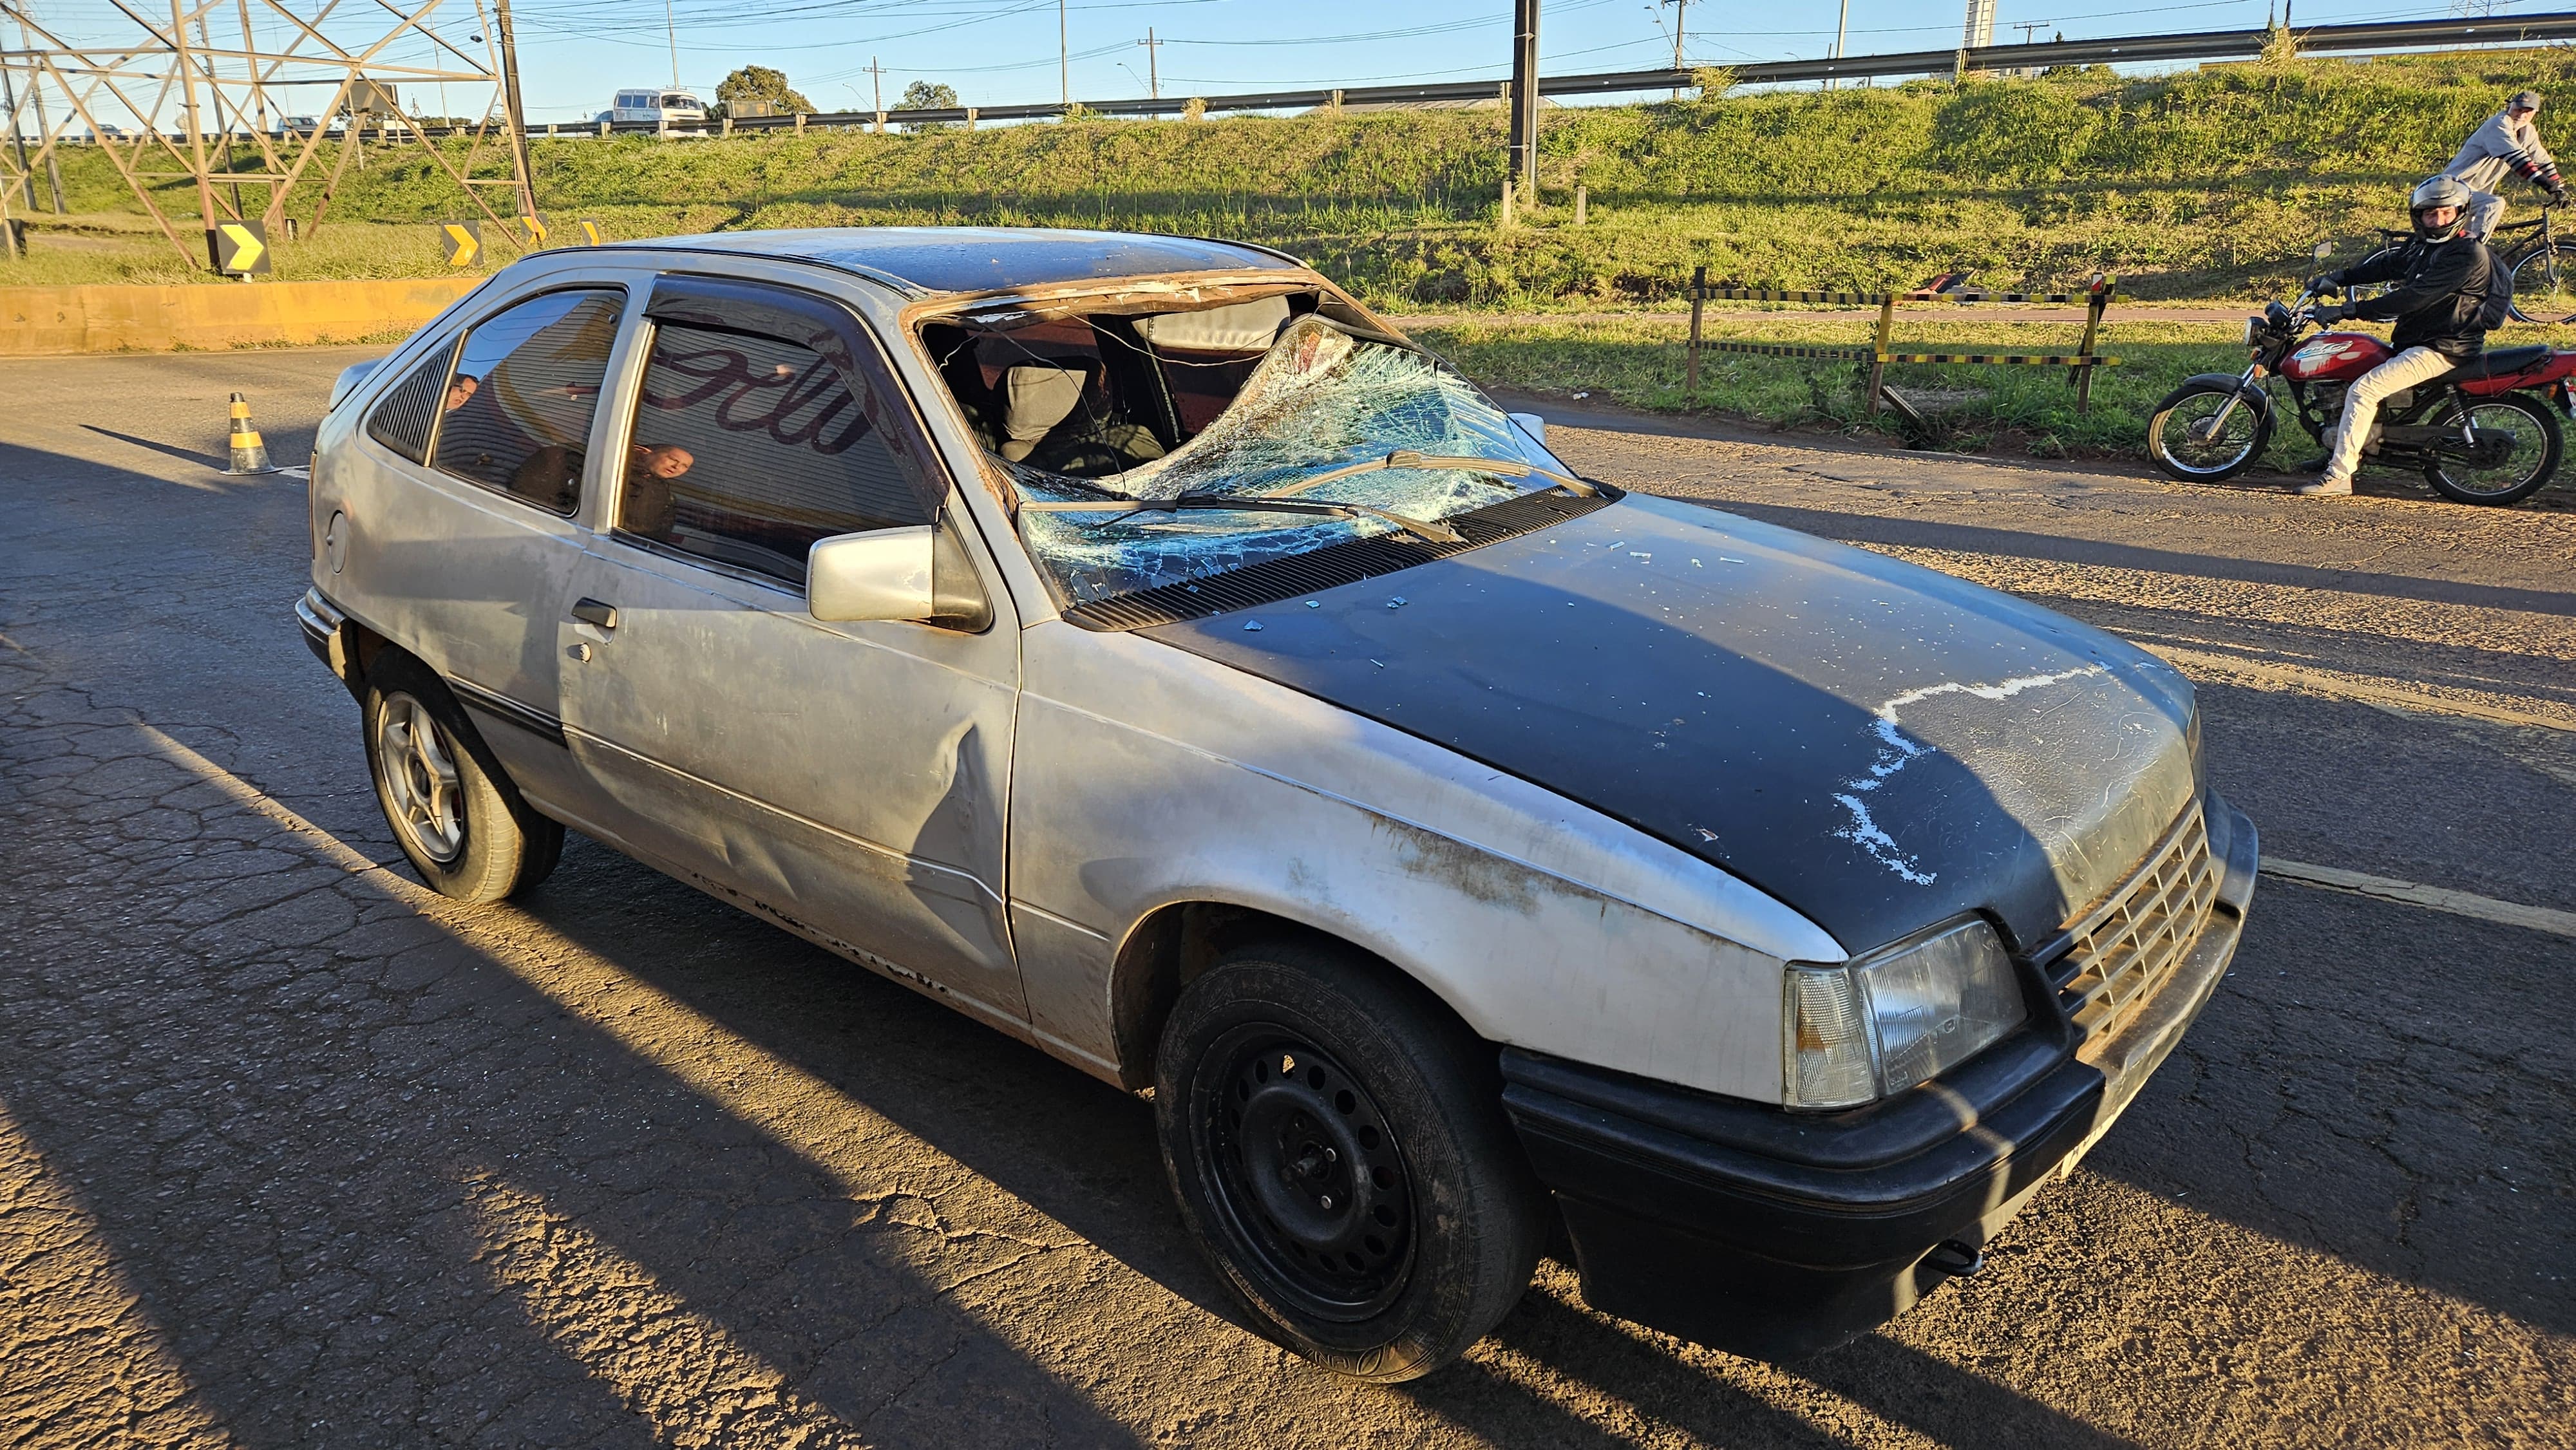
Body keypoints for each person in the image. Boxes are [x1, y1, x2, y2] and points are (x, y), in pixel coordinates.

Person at [2300, 176, 2497, 499]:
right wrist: (2339, 276)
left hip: (2443, 347)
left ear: (2461, 212)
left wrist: (2349, 311)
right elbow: (2390, 265)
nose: (2438, 220)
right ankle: (2345, 447)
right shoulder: (2423, 245)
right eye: (2430, 214)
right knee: (2352, 371)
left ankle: (2339, 475)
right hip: (2418, 340)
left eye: (2446, 213)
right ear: (2418, 216)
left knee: (2364, 391)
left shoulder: (2466, 253)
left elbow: (2414, 297)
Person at [2444, 89, 2564, 241]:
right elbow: (2519, 161)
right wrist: (2549, 186)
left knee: (2457, 244)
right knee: (2494, 205)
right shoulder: (2499, 124)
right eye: (2518, 109)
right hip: (2455, 187)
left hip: (2476, 193)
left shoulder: (2527, 131)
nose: (2521, 115)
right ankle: (2474, 253)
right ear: (2509, 107)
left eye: (2528, 111)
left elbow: (2543, 162)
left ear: (2535, 113)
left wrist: (2559, 188)